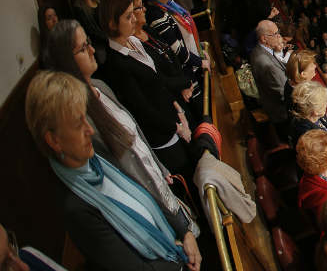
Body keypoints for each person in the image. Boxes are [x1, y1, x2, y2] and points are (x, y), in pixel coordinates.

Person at [24, 71, 201, 271]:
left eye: (86, 118)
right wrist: (179, 261)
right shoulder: (76, 209)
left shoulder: (96, 159)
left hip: (174, 246)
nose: (90, 130)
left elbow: (146, 195)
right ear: (54, 140)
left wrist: (184, 232)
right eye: (78, 124)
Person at [42, 19, 194, 233]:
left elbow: (135, 131)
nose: (92, 50)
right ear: (66, 61)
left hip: (157, 179)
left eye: (89, 43)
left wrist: (159, 167)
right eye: (83, 48)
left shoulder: (100, 86)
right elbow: (120, 164)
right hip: (145, 198)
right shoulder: (82, 117)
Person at [97, 0, 192, 176]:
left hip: (172, 118)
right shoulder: (116, 64)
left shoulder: (134, 41)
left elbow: (158, 81)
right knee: (184, 173)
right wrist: (176, 127)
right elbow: (143, 109)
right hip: (162, 135)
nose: (134, 19)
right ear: (112, 24)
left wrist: (178, 109)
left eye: (133, 12)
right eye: (128, 17)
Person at [250, 20, 289, 137]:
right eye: (275, 34)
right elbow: (282, 94)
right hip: (282, 114)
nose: (279, 36)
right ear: (264, 39)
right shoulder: (266, 63)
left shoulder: (259, 49)